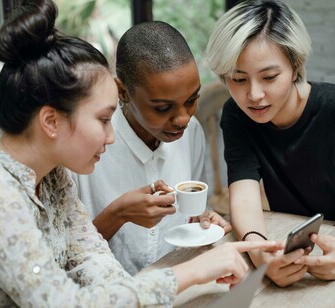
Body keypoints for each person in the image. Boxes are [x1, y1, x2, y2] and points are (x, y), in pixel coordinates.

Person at [0, 0, 283, 306]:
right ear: (51, 121)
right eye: (104, 119)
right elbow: (62, 302)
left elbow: (97, 267)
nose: (112, 134)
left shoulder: (53, 178)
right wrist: (191, 272)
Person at [205, 0, 335, 287]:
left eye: (269, 77)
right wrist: (261, 256)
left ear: (296, 66)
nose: (254, 95)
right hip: (300, 257)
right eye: (238, 79)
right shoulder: (238, 114)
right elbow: (244, 196)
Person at [73, 21, 231, 275]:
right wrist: (118, 214)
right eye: (162, 108)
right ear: (122, 91)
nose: (183, 119)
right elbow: (65, 258)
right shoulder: (87, 148)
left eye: (191, 101)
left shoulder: (191, 133)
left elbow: (192, 217)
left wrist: (203, 219)